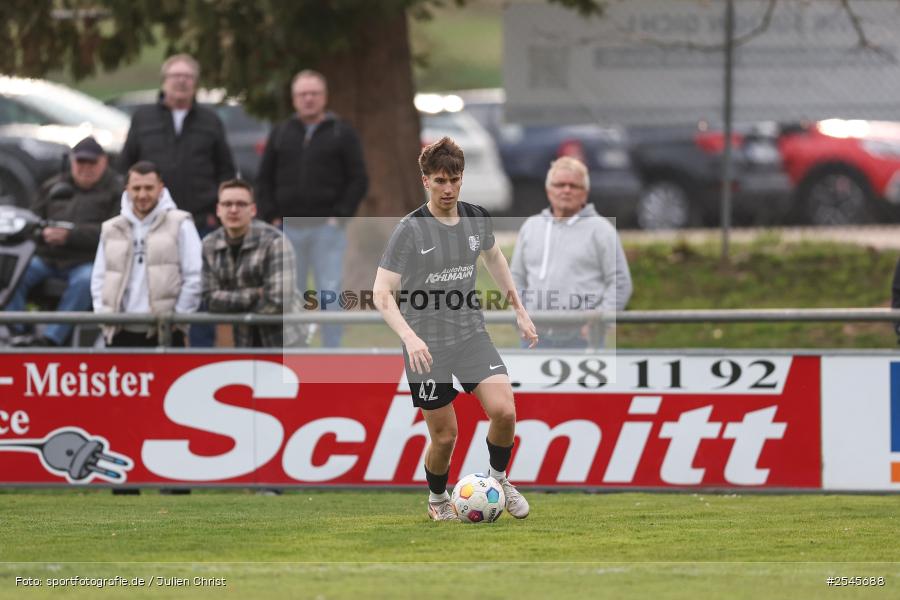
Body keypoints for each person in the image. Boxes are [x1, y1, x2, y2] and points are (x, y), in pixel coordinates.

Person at [373, 137, 538, 521]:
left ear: (462, 179)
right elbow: (381, 292)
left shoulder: (477, 218)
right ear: (425, 181)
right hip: (425, 347)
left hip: (470, 335)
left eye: (454, 179)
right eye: (439, 180)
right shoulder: (410, 230)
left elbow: (494, 258)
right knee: (445, 437)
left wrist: (519, 309)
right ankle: (436, 499)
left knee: (505, 413)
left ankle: (498, 481)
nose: (448, 188)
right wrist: (409, 336)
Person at [118, 53, 235, 347]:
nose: (181, 82)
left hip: (200, 220)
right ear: (164, 82)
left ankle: (201, 356)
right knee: (154, 287)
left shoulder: (210, 120)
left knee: (201, 289)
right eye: (175, 76)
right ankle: (158, 353)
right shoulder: (143, 118)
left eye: (188, 77)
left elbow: (225, 169)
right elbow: (125, 167)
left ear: (196, 83)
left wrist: (217, 209)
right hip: (153, 223)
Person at [257, 69, 368, 348]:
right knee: (289, 295)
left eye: (313, 94)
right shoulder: (281, 133)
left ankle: (332, 355)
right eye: (302, 94)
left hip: (326, 231)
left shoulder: (342, 133)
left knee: (328, 294)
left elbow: (358, 178)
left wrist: (340, 215)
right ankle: (293, 352)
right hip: (287, 230)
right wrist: (271, 216)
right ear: (294, 99)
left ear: (324, 97)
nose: (308, 99)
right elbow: (264, 178)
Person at [4, 136, 121, 347]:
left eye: (92, 162)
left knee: (86, 280)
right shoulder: (53, 185)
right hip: (48, 258)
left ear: (104, 162)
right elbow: (31, 220)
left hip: (87, 260)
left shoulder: (116, 191)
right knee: (11, 270)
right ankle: (17, 331)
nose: (85, 168)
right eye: (81, 162)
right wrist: (42, 232)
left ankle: (51, 338)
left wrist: (71, 234)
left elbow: (114, 233)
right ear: (72, 161)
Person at [511, 156, 632, 348]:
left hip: (583, 339)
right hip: (534, 338)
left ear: (585, 193)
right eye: (559, 184)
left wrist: (603, 319)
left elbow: (620, 282)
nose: (566, 190)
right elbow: (515, 278)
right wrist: (520, 316)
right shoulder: (531, 227)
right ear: (549, 190)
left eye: (573, 186)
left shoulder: (601, 230)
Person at [91, 161, 202, 347]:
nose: (142, 195)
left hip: (164, 331)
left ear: (161, 188)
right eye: (136, 188)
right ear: (127, 189)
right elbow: (99, 277)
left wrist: (178, 317)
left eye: (149, 188)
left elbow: (195, 275)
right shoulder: (111, 228)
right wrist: (104, 316)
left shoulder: (181, 223)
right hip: (119, 332)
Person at [202, 179, 305, 347]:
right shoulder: (209, 245)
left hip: (286, 341)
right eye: (227, 204)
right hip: (244, 341)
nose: (233, 210)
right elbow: (211, 301)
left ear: (253, 210)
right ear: (218, 210)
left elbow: (278, 301)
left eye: (241, 204)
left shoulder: (275, 241)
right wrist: (256, 294)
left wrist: (231, 302)